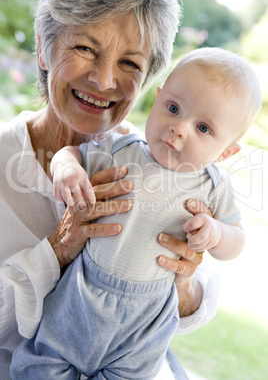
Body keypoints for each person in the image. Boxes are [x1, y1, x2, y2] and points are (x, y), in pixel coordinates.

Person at [0, 0, 219, 379]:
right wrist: (58, 248)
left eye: (130, 63)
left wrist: (179, 280)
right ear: (44, 48)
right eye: (85, 48)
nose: (104, 80)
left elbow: (197, 308)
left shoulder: (155, 158)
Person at [11, 47, 262, 378]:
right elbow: (71, 153)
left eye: (203, 128)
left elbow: (237, 240)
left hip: (147, 316)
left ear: (227, 152)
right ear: (157, 99)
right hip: (83, 294)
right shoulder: (120, 150)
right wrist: (66, 168)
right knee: (44, 364)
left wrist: (216, 233)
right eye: (173, 108)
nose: (179, 128)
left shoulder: (211, 187)